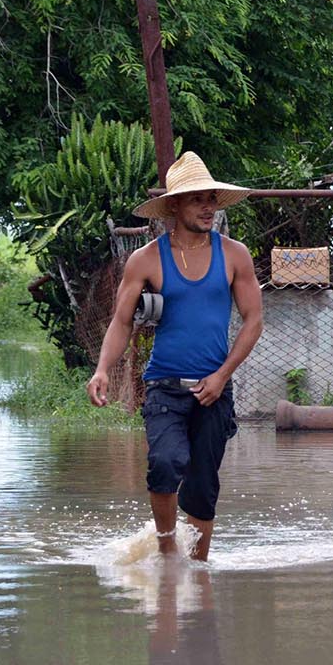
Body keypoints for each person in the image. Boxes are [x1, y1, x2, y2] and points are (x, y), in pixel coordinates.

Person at [87, 151, 264, 561]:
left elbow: (253, 321)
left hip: (214, 390)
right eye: (196, 199)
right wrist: (102, 370)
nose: (207, 208)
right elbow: (121, 322)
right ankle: (168, 554)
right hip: (164, 386)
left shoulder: (235, 255)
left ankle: (198, 569)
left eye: (211, 199)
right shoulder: (145, 259)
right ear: (173, 206)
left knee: (203, 486)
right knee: (166, 463)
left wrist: (222, 376)